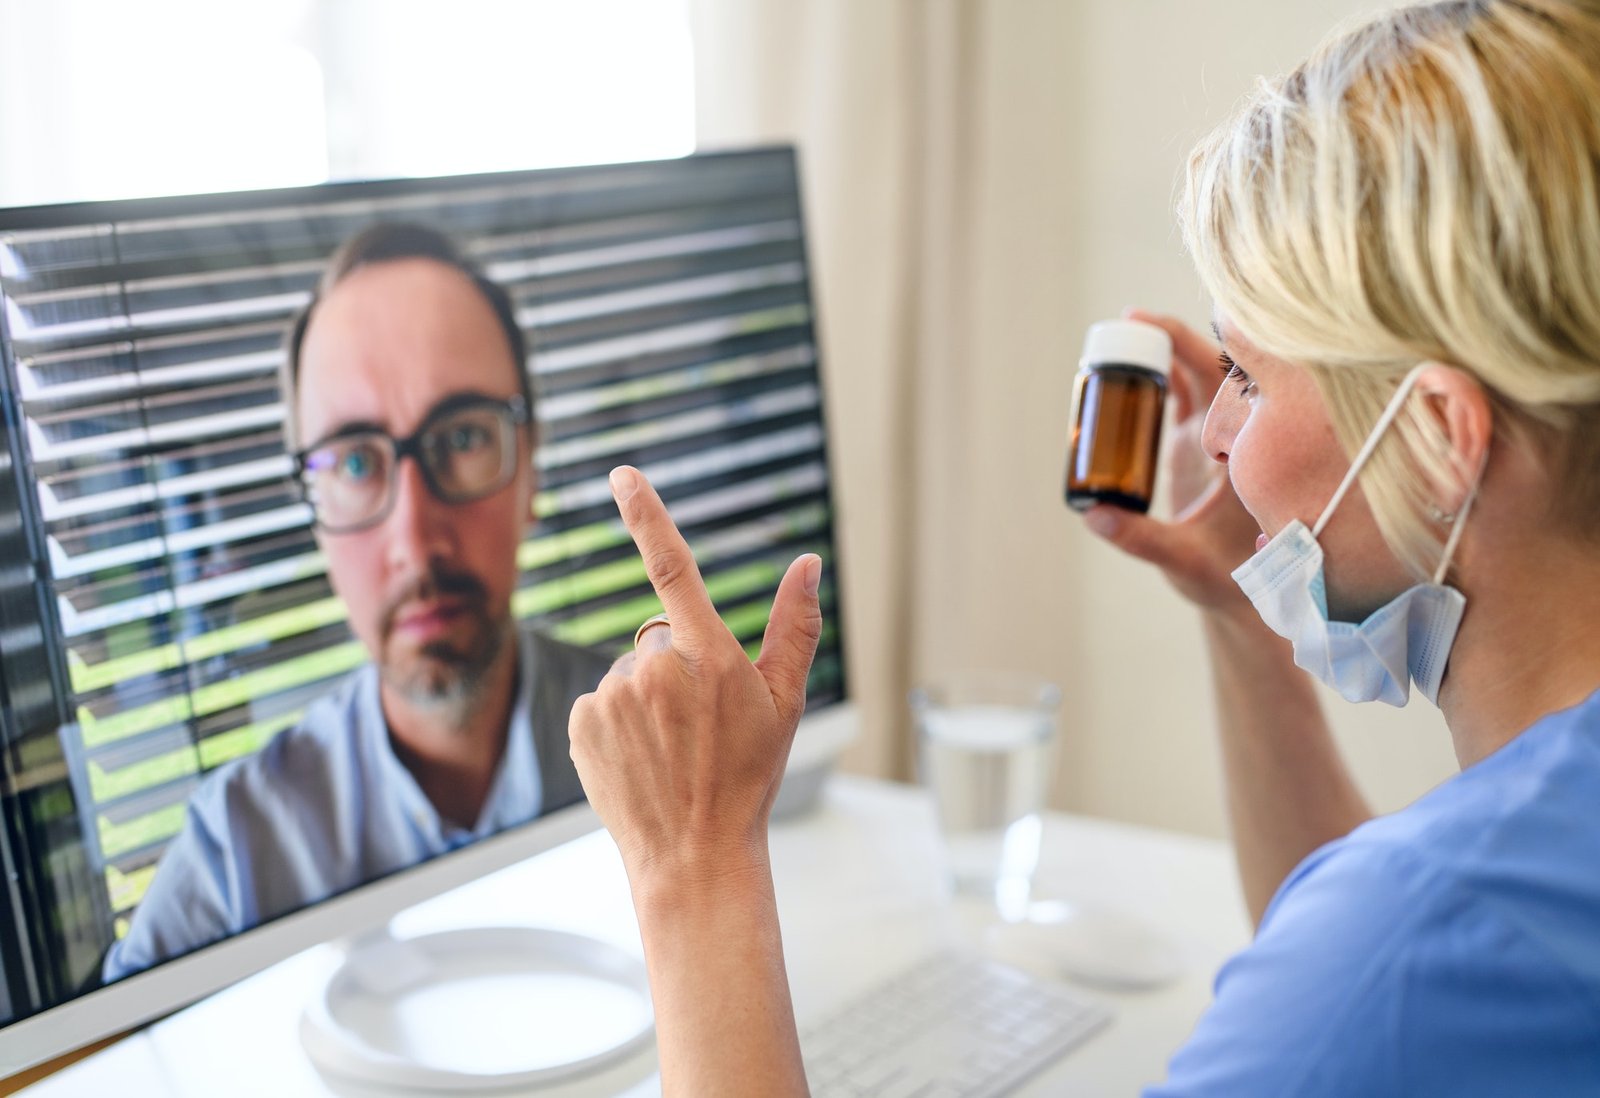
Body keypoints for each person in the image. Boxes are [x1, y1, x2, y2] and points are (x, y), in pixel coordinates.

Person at [569, 1, 1600, 1093]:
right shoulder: (1490, 904)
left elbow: (1375, 978)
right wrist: (1236, 615)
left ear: (1439, 442)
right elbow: (1383, 998)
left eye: (1245, 379)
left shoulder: (1411, 937)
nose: (1219, 437)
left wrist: (694, 863)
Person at [103, 224, 610, 983]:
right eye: (352, 461)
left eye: (464, 435)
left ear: (530, 466)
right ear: (313, 510)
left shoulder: (671, 753)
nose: (414, 536)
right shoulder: (235, 858)